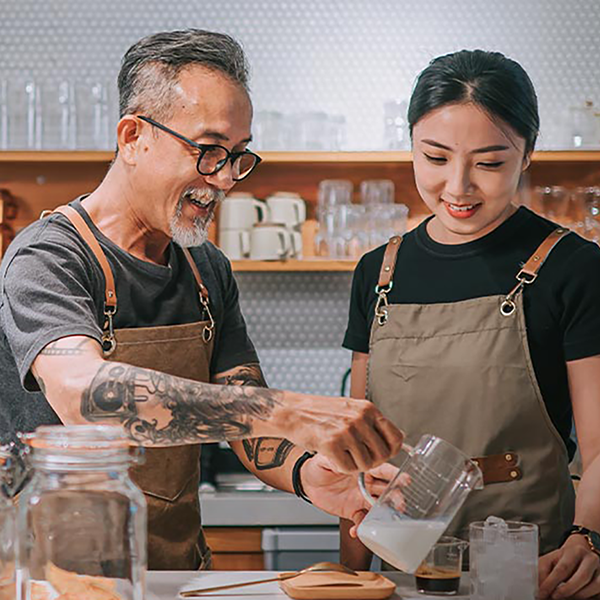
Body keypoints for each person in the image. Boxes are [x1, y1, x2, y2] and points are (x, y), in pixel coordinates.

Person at [0, 29, 404, 570]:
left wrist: (313, 478)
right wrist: (290, 410)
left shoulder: (204, 267)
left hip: (177, 573)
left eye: (238, 156)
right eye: (209, 150)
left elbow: (246, 420)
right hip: (57, 577)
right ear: (132, 137)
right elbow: (86, 394)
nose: (226, 179)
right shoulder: (49, 256)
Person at [341, 49, 600, 599]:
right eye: (434, 157)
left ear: (527, 154)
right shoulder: (377, 272)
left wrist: (589, 537)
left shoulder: (574, 268)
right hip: (399, 566)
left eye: (489, 163)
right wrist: (351, 579)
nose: (457, 187)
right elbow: (360, 451)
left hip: (530, 566)